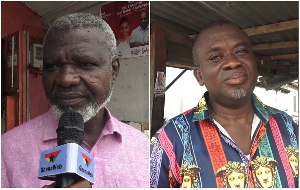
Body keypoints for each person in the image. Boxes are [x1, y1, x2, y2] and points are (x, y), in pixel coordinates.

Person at [1, 13, 149, 188]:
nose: (65, 79)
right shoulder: (7, 150)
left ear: (114, 70)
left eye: (85, 64)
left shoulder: (144, 149)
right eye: (52, 66)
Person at [150, 20, 298, 188]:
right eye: (215, 57)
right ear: (199, 76)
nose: (233, 62)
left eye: (241, 51)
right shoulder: (170, 139)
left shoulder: (288, 126)